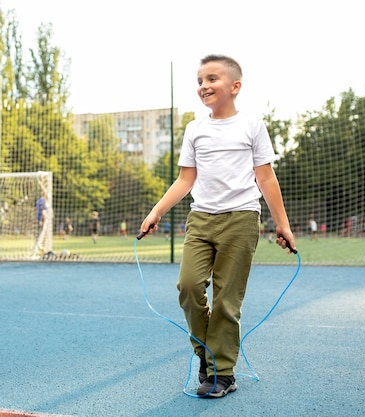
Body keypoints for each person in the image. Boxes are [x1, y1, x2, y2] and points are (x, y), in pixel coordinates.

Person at [138, 54, 296, 398]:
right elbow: (185, 179)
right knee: (188, 286)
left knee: (227, 300)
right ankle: (206, 357)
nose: (204, 86)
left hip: (241, 219)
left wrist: (282, 225)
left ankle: (223, 372)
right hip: (201, 220)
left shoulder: (252, 126)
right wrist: (156, 212)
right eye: (199, 81)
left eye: (212, 79)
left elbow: (266, 177)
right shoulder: (195, 129)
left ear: (235, 86)